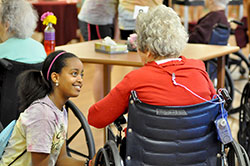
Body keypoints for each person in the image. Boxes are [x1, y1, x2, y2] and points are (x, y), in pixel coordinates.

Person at [88, 5, 216, 129]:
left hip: (147, 149)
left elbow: (96, 118)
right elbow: (214, 107)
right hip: (199, 147)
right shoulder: (199, 69)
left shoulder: (136, 79)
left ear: (148, 50)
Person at [0, 51, 94, 166]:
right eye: (74, 74)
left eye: (82, 75)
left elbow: (62, 159)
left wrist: (89, 164)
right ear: (55, 77)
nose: (80, 79)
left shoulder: (60, 111)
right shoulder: (43, 115)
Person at [78, 0, 119, 102]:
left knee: (108, 66)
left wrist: (117, 33)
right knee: (101, 66)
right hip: (94, 20)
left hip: (108, 19)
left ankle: (105, 104)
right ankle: (100, 108)